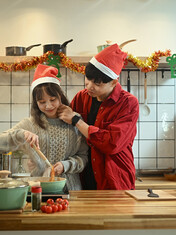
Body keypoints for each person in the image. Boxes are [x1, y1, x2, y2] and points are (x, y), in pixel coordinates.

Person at [0, 64, 88, 191]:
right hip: (39, 190)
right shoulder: (30, 124)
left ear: (61, 97)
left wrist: (65, 165)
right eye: (42, 102)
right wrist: (21, 134)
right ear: (36, 103)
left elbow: (84, 157)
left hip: (71, 189)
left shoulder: (74, 121)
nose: (48, 106)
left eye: (53, 99)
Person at [57, 44, 139, 190]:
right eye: (88, 79)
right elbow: (66, 131)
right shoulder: (81, 98)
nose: (89, 86)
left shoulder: (128, 103)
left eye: (97, 83)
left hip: (113, 177)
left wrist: (77, 121)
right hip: (83, 175)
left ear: (114, 82)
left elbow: (112, 144)